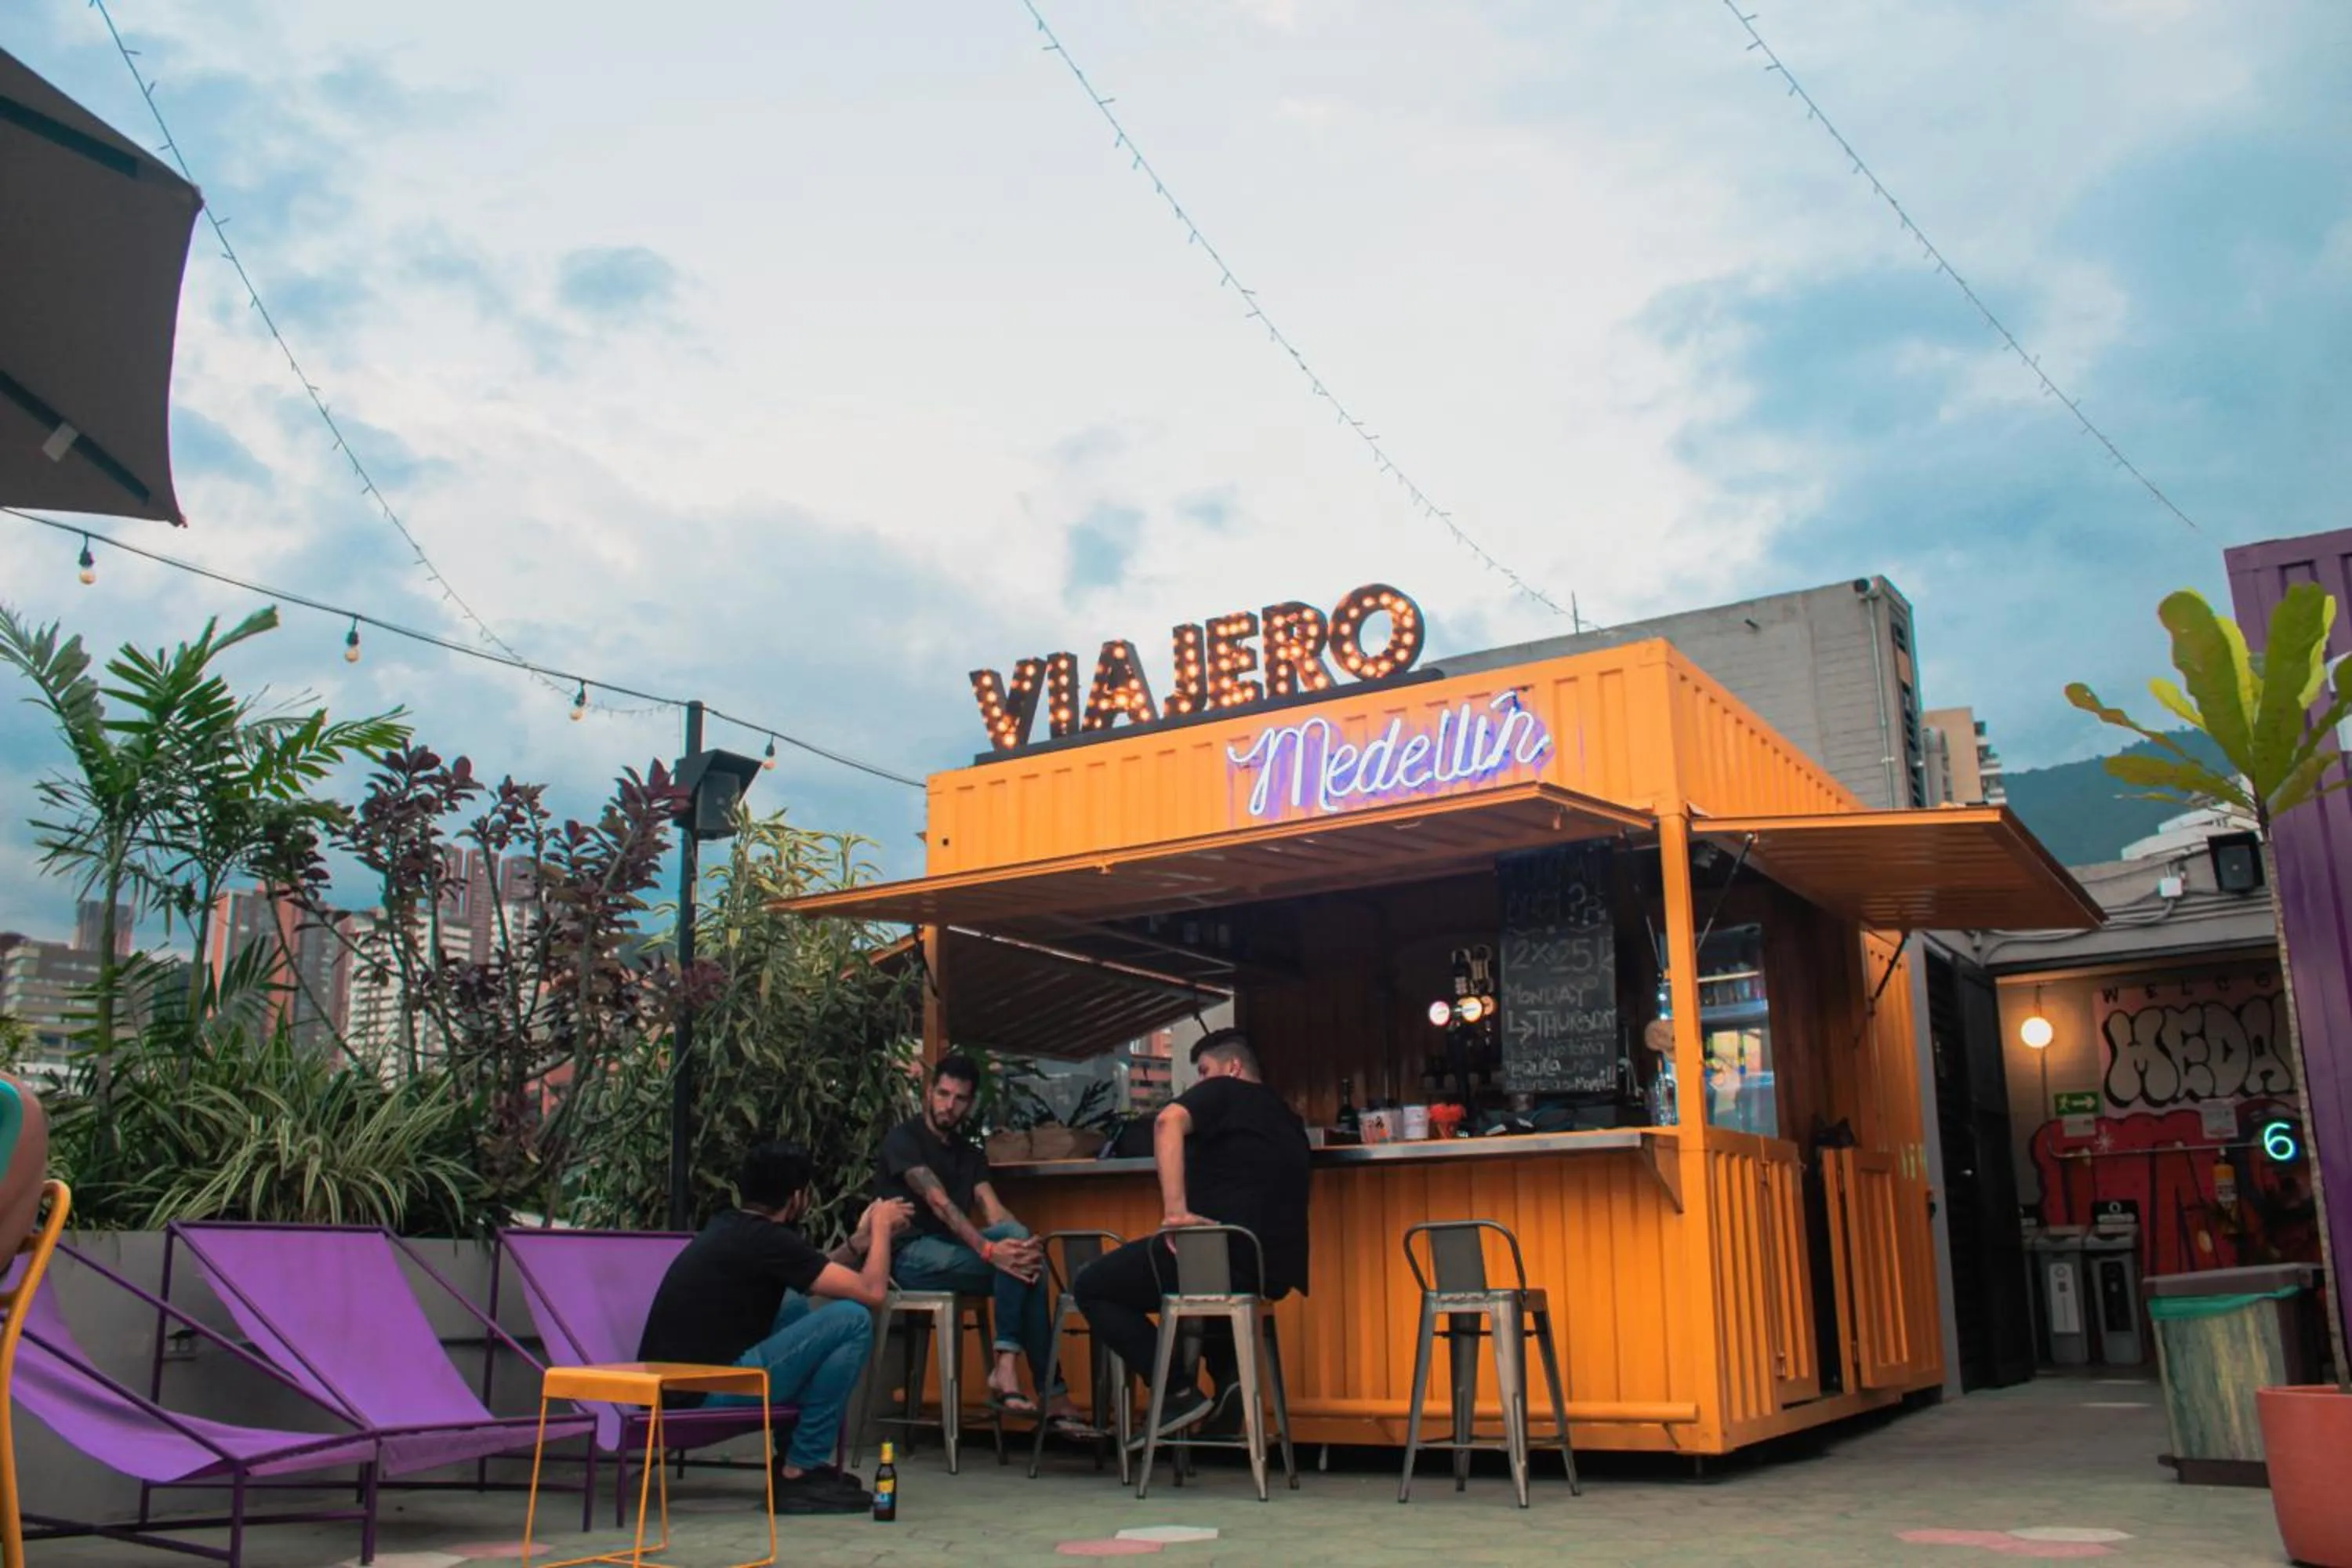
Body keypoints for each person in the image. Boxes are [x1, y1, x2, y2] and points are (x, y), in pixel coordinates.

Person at [636, 1140, 909, 1514]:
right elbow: (872, 1292)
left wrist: (859, 1241)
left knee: (793, 1303)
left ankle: (796, 1461)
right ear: (797, 1198)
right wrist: (880, 1229)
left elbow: (809, 1268)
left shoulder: (735, 1227)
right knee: (852, 1319)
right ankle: (800, 1469)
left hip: (674, 1391)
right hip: (701, 1397)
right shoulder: (766, 1240)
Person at [1073, 1027, 1311, 1435]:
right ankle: (1230, 1382)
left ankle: (1177, 1392)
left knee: (1093, 1285)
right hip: (1267, 1269)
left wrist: (1176, 1213)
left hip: (1222, 1255)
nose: (1200, 1083)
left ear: (1232, 1068)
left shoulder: (1224, 1092)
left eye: (1204, 1071)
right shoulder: (1287, 1117)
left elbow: (1166, 1122)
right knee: (1202, 1281)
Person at [876, 1053, 1085, 1430]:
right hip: (909, 1257)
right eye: (942, 1094)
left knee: (1022, 1259)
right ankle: (1051, 1393)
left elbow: (993, 1211)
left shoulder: (968, 1152)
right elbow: (938, 1203)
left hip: (950, 1253)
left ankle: (1007, 1367)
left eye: (958, 1099)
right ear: (929, 1092)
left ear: (969, 1103)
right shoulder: (904, 1139)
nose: (948, 1105)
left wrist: (1023, 1241)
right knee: (1015, 1264)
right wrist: (988, 1250)